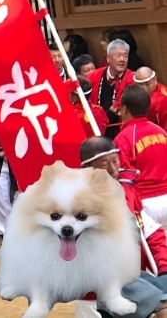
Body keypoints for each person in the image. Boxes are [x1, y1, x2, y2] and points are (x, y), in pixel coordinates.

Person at [80, 136, 167, 318]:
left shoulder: (126, 192)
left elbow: (149, 231)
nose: (113, 169)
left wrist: (164, 265)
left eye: (115, 161)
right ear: (88, 169)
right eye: (104, 164)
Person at [115, 85, 167, 229]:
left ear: (124, 109)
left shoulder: (123, 139)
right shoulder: (161, 132)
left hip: (145, 204)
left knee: (152, 250)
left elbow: (125, 177)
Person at [88, 39, 135, 139]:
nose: (122, 59)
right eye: (118, 55)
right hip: (96, 128)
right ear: (108, 59)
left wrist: (101, 118)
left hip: (121, 131)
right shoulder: (94, 76)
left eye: (125, 56)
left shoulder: (132, 79)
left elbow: (124, 104)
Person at [135, 67, 167, 132]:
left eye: (147, 84)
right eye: (140, 85)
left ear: (155, 79)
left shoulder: (159, 100)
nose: (144, 88)